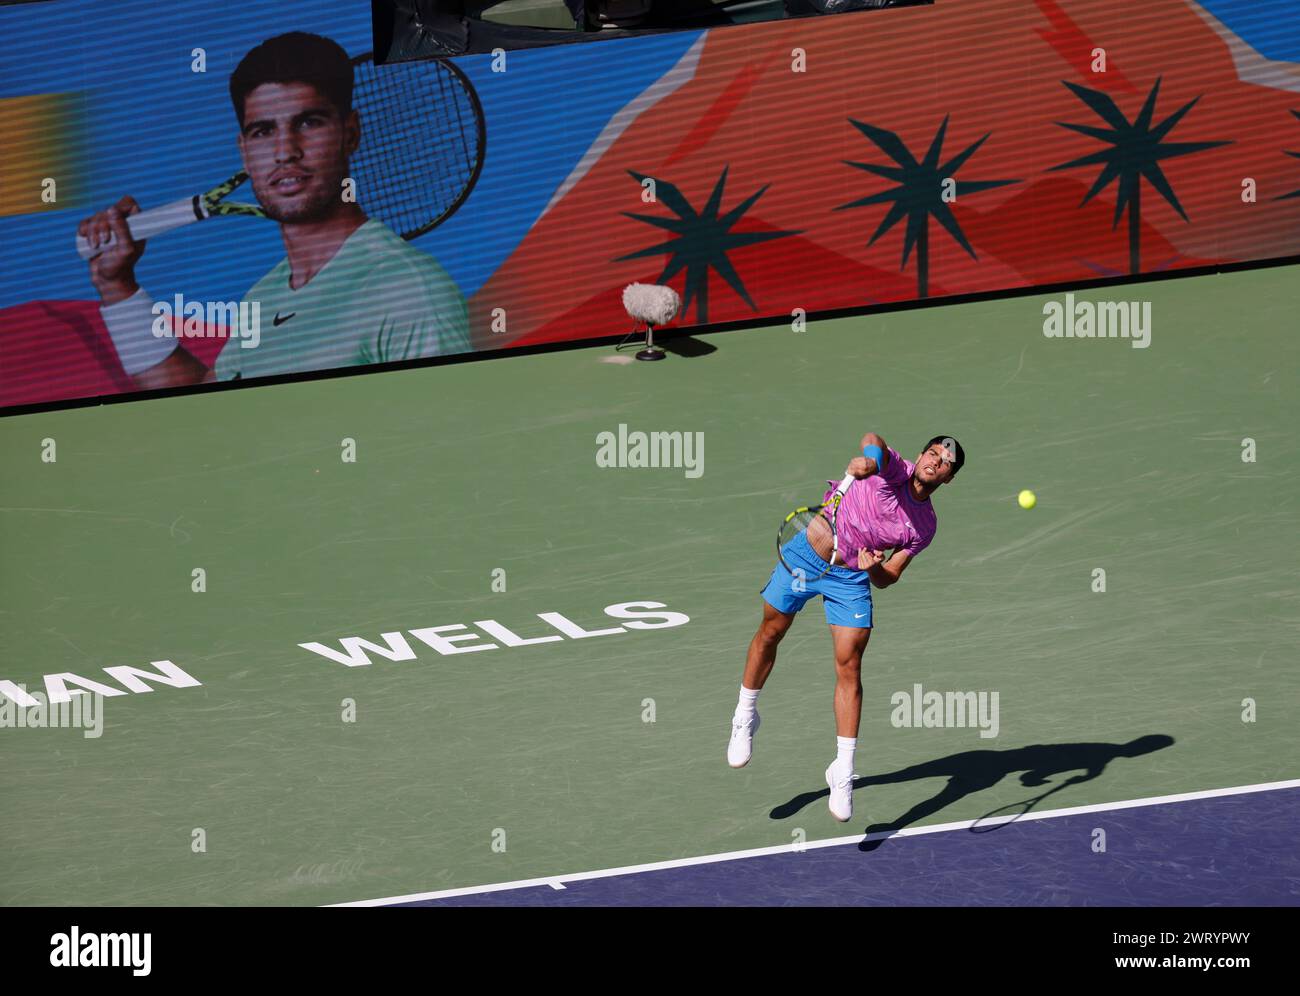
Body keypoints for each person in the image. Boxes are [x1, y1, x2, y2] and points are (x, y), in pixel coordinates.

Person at [76, 32, 470, 388]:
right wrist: (118, 288)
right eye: (263, 131)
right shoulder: (261, 300)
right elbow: (207, 412)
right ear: (244, 153)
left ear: (350, 133)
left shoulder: (408, 290)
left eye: (309, 122)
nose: (285, 151)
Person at [728, 433, 965, 822]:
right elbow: (874, 440)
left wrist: (874, 567)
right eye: (933, 453)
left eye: (945, 463)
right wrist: (870, 462)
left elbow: (889, 576)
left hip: (851, 579)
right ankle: (745, 714)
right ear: (921, 455)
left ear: (948, 479)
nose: (936, 462)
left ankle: (842, 769)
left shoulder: (924, 526)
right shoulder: (893, 469)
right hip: (807, 552)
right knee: (770, 632)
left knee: (849, 665)